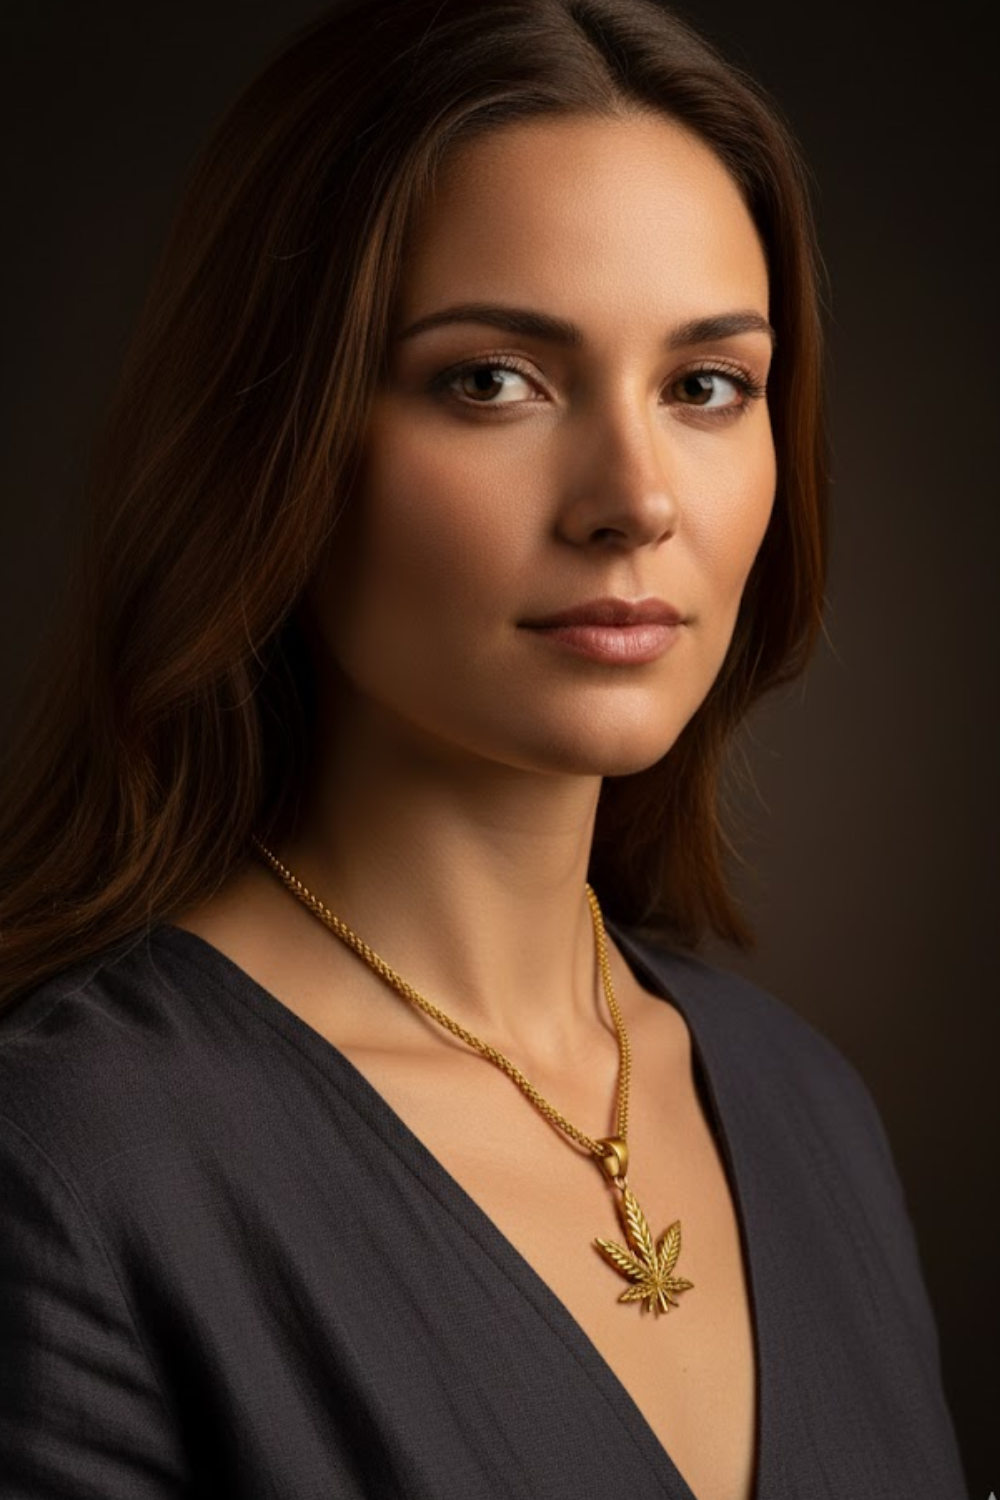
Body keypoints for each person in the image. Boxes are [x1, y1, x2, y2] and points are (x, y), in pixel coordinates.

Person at [0, 1, 966, 1496]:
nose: (634, 499)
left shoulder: (806, 1107)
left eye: (707, 385)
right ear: (277, 438)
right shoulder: (73, 1160)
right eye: (492, 380)